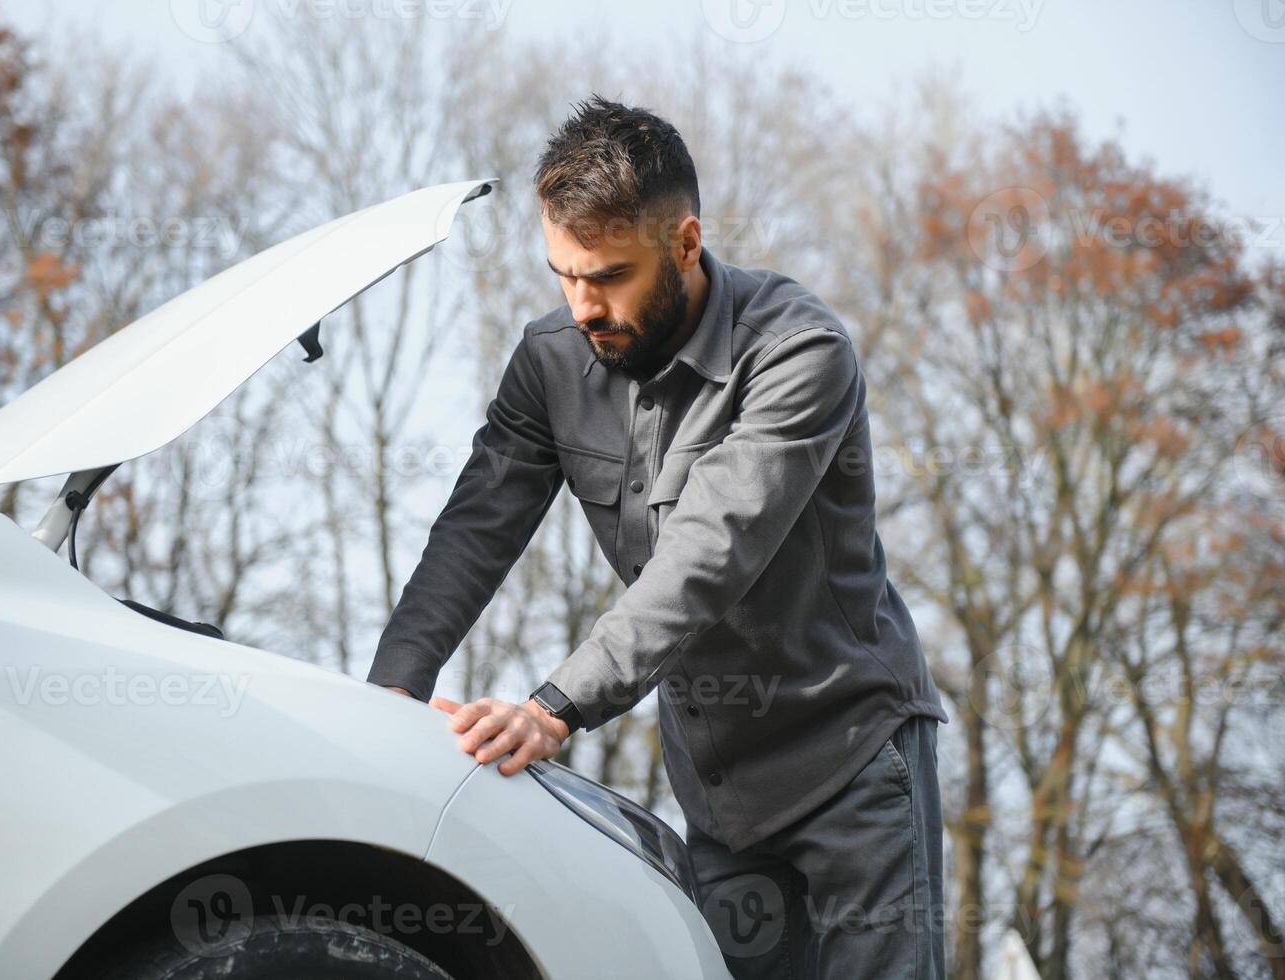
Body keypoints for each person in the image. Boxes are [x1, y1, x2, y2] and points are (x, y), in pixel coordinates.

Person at [368, 94, 947, 979]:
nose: (583, 304)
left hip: (854, 766)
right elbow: (474, 530)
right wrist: (390, 696)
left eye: (607, 276)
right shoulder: (550, 362)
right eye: (563, 274)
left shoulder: (797, 353)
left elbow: (708, 556)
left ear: (684, 243)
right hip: (718, 796)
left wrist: (553, 706)